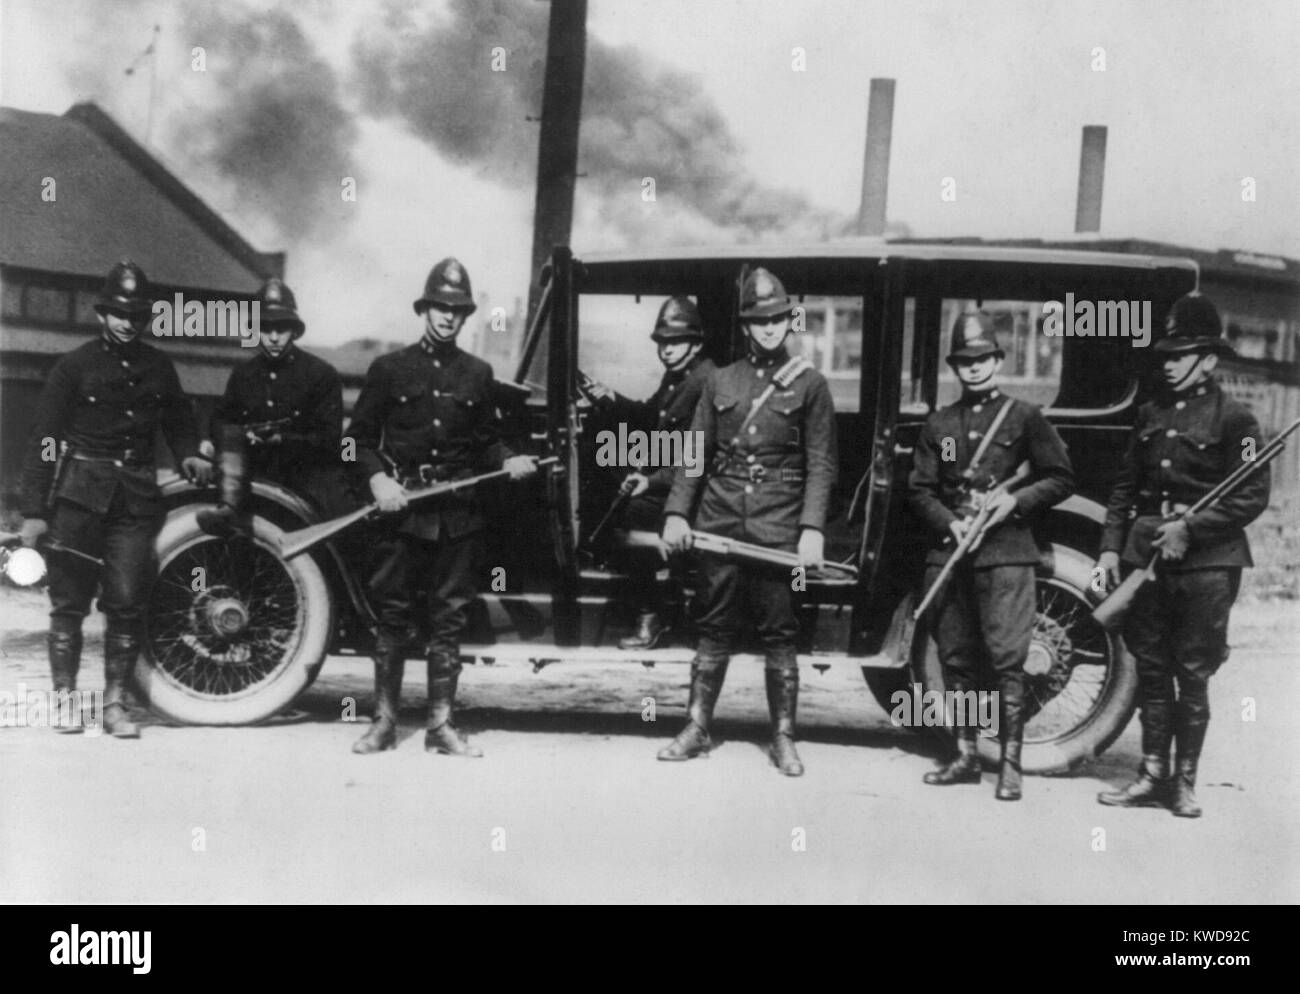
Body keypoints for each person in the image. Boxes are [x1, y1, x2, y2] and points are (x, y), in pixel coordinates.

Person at [347, 257, 538, 756]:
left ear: (465, 316)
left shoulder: (478, 374)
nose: (448, 317)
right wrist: (377, 479)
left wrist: (510, 459)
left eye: (457, 310)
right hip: (402, 512)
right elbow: (356, 442)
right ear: (424, 309)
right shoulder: (390, 369)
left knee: (448, 620)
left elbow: (486, 442)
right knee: (392, 618)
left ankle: (441, 726)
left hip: (457, 516)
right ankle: (384, 723)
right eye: (440, 307)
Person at [17, 260, 212, 737]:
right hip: (79, 497)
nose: (128, 323)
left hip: (135, 503)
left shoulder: (158, 366)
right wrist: (34, 512)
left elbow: (181, 423)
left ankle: (116, 705)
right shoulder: (73, 367)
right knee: (69, 603)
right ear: (103, 313)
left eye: (137, 315)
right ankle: (66, 702)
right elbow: (45, 440)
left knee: (126, 602)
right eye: (120, 313)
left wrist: (189, 454)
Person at [1095, 293, 1270, 818]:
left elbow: (1251, 495)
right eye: (1166, 353)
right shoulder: (1150, 412)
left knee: (1192, 672)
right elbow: (1125, 489)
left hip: (1208, 566)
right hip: (1146, 556)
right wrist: (1108, 551)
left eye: (1181, 353)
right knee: (1150, 667)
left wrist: (1191, 529)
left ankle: (1184, 784)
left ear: (1209, 360)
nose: (1168, 362)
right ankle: (1151, 774)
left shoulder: (1238, 420)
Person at [659, 267, 837, 776]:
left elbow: (821, 463)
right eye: (760, 321)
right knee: (713, 628)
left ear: (789, 321)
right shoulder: (721, 380)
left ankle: (782, 737)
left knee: (780, 633)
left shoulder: (811, 384)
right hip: (719, 522)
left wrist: (811, 528)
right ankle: (696, 727)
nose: (770, 329)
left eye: (779, 319)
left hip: (777, 527)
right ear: (745, 325)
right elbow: (695, 455)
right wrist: (676, 512)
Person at [907, 310, 1074, 800]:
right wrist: (950, 521)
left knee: (1007, 660)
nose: (974, 368)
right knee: (957, 658)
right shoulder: (940, 424)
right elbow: (919, 490)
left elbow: (1061, 477)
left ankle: (1011, 764)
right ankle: (964, 753)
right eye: (965, 361)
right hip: (952, 553)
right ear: (955, 367)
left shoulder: (1025, 418)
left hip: (1004, 553)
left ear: (998, 360)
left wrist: (1012, 503)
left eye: (983, 358)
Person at [581, 296, 716, 649]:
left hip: (697, 489)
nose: (667, 350)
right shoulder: (679, 379)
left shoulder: (705, 383)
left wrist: (650, 481)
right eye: (663, 343)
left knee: (630, 515)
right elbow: (651, 420)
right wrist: (609, 398)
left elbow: (697, 458)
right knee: (609, 484)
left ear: (696, 343)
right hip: (676, 479)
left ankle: (651, 613)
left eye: (676, 342)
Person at [202, 277, 347, 535]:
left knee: (336, 534)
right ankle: (228, 510)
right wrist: (243, 434)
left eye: (281, 328)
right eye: (265, 328)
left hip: (307, 479)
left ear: (294, 330)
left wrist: (282, 438)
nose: (273, 337)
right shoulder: (244, 374)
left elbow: (329, 439)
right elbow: (221, 420)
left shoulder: (321, 374)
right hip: (254, 474)